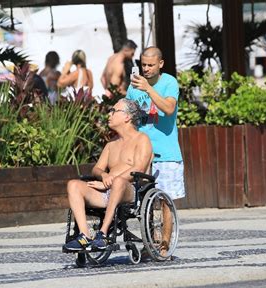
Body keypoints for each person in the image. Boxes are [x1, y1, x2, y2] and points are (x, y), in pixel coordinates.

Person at [63, 98, 152, 251]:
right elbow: (96, 169)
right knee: (74, 185)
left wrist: (112, 181)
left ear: (127, 117)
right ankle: (84, 236)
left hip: (130, 190)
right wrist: (104, 176)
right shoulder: (111, 144)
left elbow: (139, 167)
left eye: (114, 111)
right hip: (107, 190)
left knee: (118, 182)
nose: (109, 115)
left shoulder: (141, 139)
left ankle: (103, 234)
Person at [126, 46, 185, 256]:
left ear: (161, 64)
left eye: (151, 65)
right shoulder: (134, 86)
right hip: (143, 153)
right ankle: (150, 239)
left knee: (165, 201)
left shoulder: (169, 82)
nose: (146, 69)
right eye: (143, 65)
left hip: (167, 153)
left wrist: (149, 90)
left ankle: (165, 244)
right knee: (144, 202)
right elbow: (129, 117)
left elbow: (168, 109)